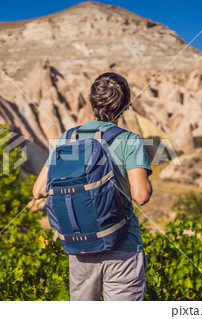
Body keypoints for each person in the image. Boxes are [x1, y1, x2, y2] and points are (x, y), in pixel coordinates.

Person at [33, 72, 153, 301]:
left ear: (91, 101)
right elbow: (141, 196)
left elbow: (38, 190)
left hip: (79, 247)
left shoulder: (68, 138)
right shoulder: (129, 140)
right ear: (125, 105)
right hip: (122, 246)